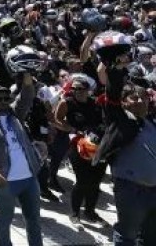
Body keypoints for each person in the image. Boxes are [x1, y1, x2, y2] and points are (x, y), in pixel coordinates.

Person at [93, 62, 156, 245]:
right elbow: (112, 96)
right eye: (132, 97)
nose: (138, 100)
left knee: (151, 236)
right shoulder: (121, 121)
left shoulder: (151, 123)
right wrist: (115, 67)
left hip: (154, 191)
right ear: (123, 102)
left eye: (142, 97)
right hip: (131, 189)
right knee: (127, 234)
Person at [0, 84, 43, 246]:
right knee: (5, 218)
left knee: (33, 219)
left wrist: (26, 74)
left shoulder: (15, 114)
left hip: (29, 177)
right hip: (5, 180)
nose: (4, 102)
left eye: (7, 98)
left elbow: (27, 96)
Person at [54, 76, 107, 229]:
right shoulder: (67, 103)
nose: (77, 91)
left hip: (97, 144)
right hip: (77, 144)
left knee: (96, 181)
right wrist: (70, 129)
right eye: (74, 88)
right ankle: (74, 213)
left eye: (80, 89)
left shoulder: (95, 103)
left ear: (88, 90)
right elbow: (57, 119)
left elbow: (103, 121)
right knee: (83, 180)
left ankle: (90, 212)